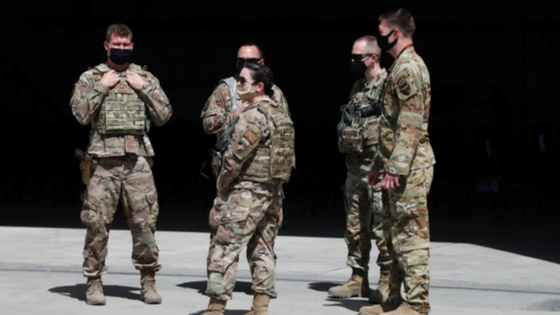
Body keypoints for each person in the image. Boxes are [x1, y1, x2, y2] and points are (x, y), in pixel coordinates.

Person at [70, 23, 172, 305]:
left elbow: (164, 115)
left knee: (145, 224)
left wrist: (145, 89)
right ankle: (93, 283)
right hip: (103, 163)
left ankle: (148, 281)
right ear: (107, 45)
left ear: (132, 46)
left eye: (127, 45)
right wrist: (101, 88)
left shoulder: (145, 77)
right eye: (117, 44)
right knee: (96, 225)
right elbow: (79, 114)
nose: (122, 49)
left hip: (137, 161)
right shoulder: (91, 78)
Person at [202, 63, 295, 315]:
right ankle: (260, 306)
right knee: (263, 248)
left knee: (225, 246)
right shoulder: (280, 113)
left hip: (247, 192)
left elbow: (234, 159)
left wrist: (222, 186)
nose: (238, 85)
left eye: (242, 81)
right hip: (273, 192)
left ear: (258, 87)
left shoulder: (253, 115)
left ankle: (215, 307)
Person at [360, 8, 435, 315]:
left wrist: (396, 168)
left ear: (395, 34)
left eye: (381, 31)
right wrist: (380, 163)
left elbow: (411, 122)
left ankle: (417, 304)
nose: (378, 37)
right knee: (393, 236)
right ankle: (395, 299)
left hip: (411, 168)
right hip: (396, 165)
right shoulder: (399, 67)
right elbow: (390, 126)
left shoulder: (409, 69)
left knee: (410, 236)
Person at [328, 36, 391, 303]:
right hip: (355, 168)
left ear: (373, 57)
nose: (352, 62)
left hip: (377, 168)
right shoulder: (358, 86)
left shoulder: (388, 85)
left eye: (357, 57)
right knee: (354, 227)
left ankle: (387, 279)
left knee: (381, 228)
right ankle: (358, 278)